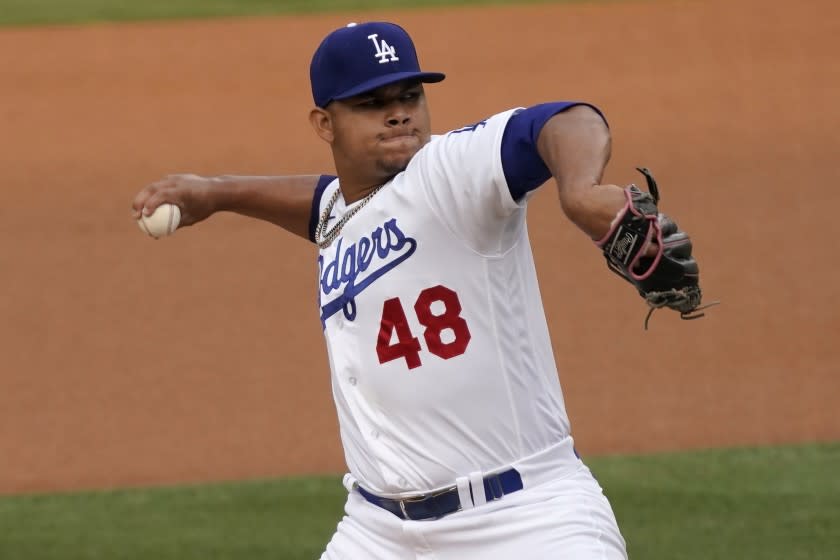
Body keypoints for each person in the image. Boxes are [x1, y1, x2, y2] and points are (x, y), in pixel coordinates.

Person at [132, 21, 704, 559]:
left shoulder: (450, 172)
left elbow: (559, 120)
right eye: (372, 104)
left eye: (409, 97)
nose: (398, 115)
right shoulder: (341, 214)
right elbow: (324, 205)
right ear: (324, 125)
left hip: (527, 519)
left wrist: (581, 192)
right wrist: (217, 191)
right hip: (379, 531)